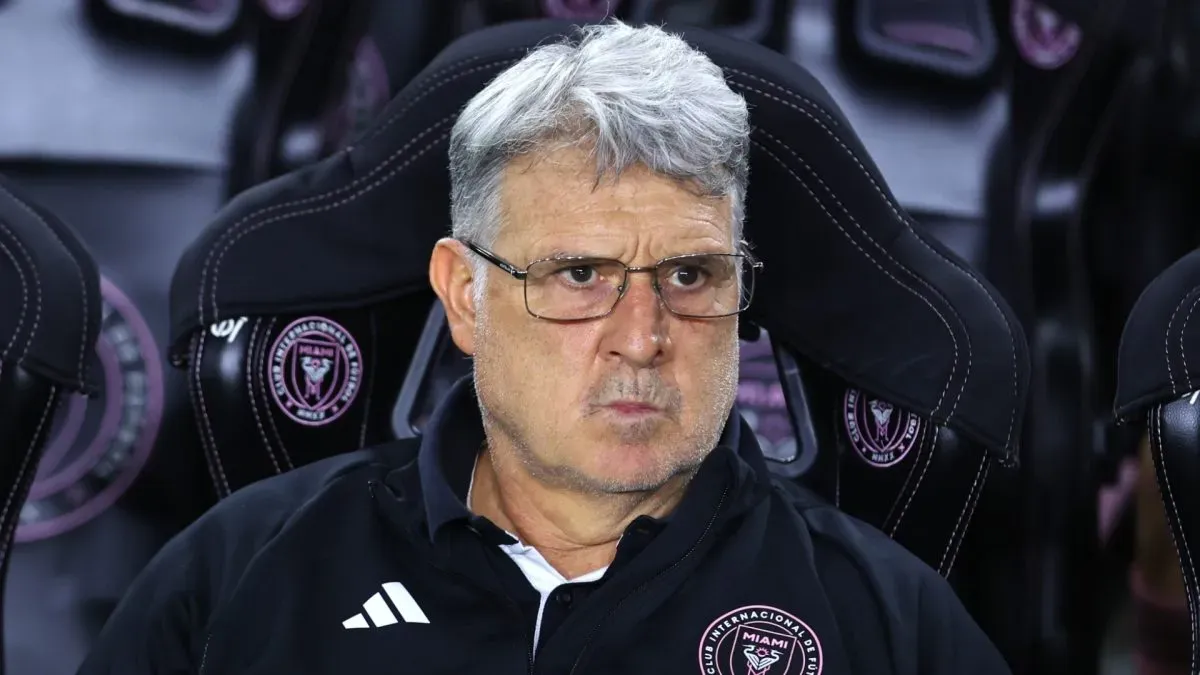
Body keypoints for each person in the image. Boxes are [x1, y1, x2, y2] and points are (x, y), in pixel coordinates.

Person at [77, 21, 1011, 675]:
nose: (642, 339)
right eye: (578, 276)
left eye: (690, 276)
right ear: (465, 297)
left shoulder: (887, 622)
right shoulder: (242, 575)